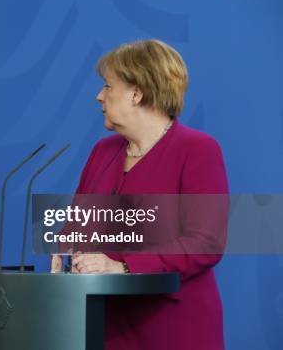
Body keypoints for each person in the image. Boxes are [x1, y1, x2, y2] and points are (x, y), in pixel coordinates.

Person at [65, 39, 228, 349]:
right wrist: (67, 256)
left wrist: (124, 266)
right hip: (104, 325)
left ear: (136, 93)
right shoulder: (102, 151)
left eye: (108, 86)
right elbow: (76, 224)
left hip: (171, 326)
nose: (99, 96)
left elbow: (206, 243)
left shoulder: (197, 150)